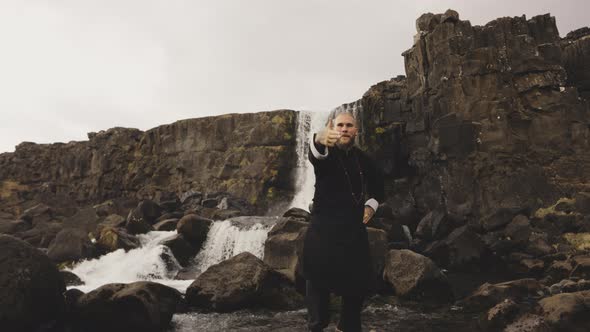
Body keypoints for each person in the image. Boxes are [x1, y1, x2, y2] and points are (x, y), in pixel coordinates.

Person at [302, 111, 384, 332]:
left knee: (356, 286)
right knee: (317, 282)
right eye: (340, 125)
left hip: (353, 229)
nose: (345, 129)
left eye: (349, 125)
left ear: (356, 130)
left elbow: (379, 185)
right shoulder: (327, 153)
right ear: (334, 128)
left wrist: (371, 204)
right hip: (323, 228)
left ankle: (346, 327)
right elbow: (316, 154)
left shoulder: (364, 159)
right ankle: (316, 327)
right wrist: (319, 138)